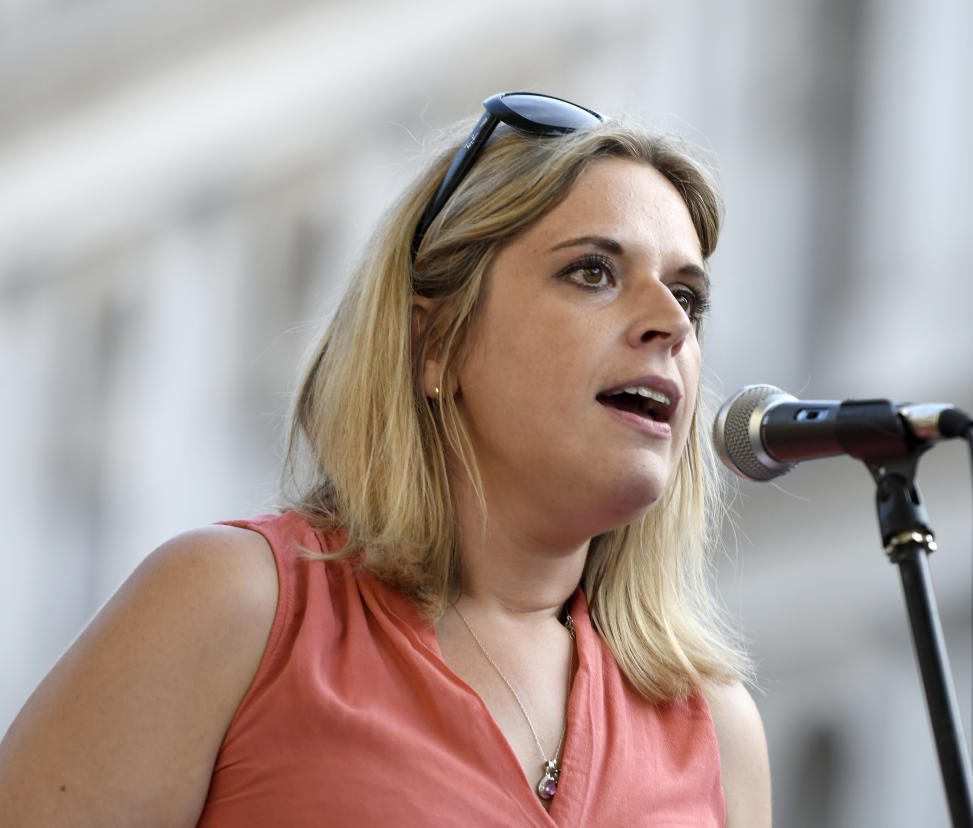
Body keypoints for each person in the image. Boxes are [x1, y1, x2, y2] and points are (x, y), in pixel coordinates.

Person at [0, 91, 771, 826]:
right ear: (435, 344)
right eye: (593, 272)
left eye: (689, 296)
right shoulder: (231, 607)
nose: (670, 322)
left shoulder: (715, 729)